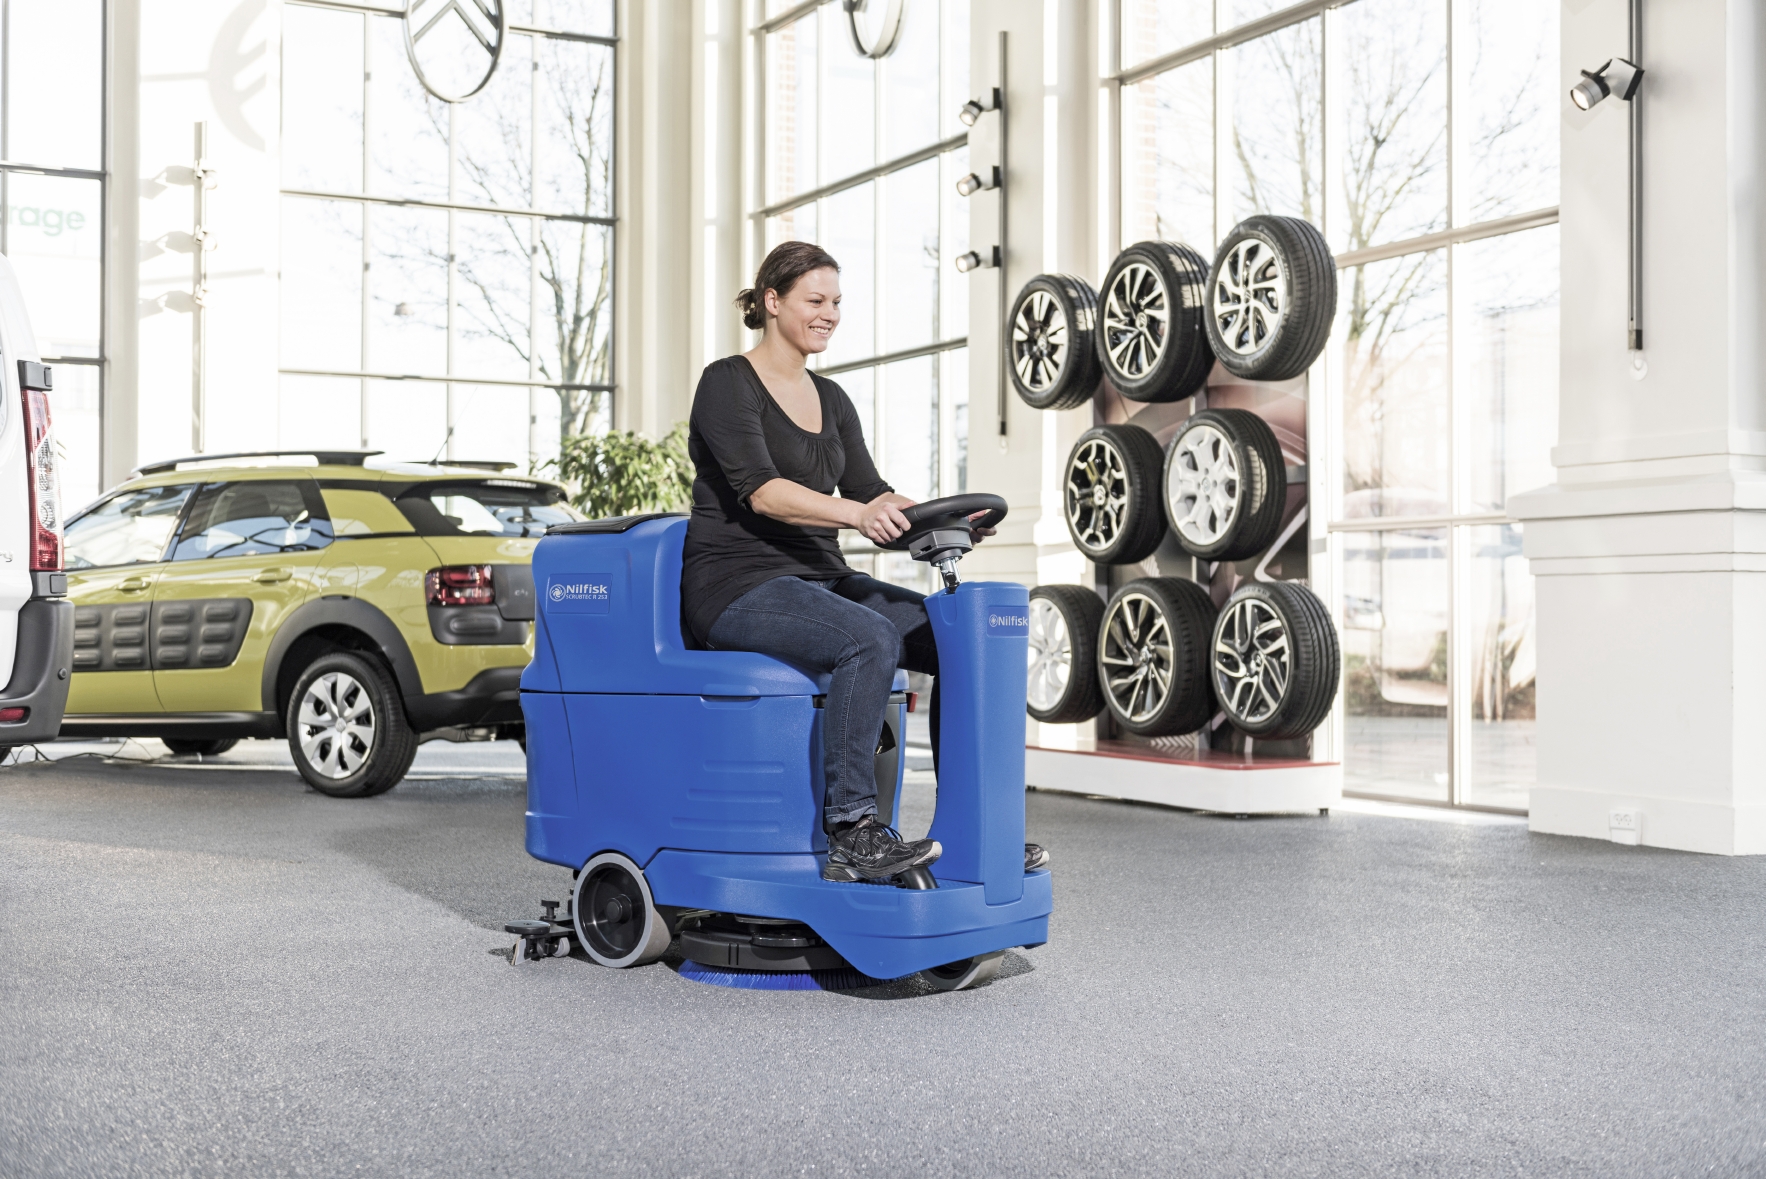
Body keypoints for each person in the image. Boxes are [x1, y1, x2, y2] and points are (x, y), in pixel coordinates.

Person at [681, 240, 1048, 883]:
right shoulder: (727, 382)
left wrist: (939, 522)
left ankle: (974, 827)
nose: (829, 314)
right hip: (738, 583)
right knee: (869, 636)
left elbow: (870, 493)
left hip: (823, 579)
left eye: (837, 302)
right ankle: (852, 832)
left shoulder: (832, 398)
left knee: (956, 640)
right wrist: (857, 515)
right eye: (815, 300)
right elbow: (763, 492)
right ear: (773, 301)